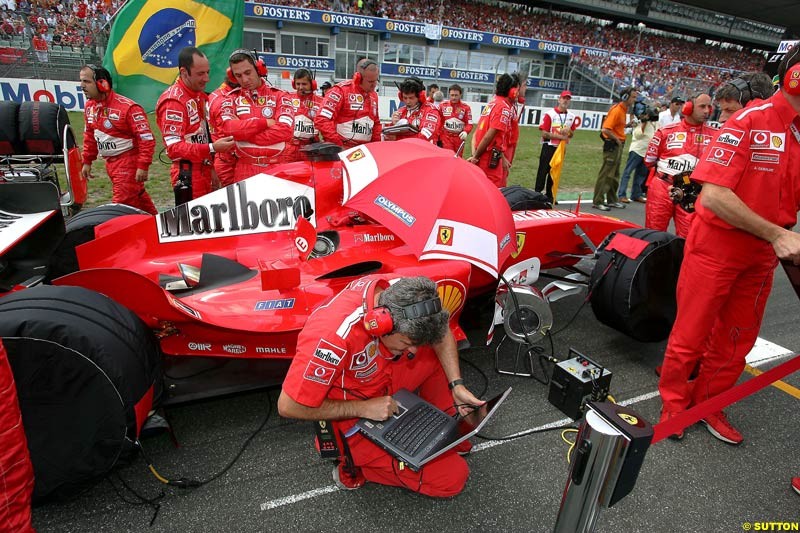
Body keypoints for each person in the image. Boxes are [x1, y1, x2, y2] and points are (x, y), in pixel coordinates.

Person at [657, 48, 800, 444]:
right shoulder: (749, 120)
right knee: (692, 332)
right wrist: (776, 234)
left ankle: (708, 403)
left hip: (762, 254)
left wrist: (775, 237)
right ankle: (673, 404)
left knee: (738, 338)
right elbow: (714, 196)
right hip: (718, 247)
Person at [277, 275, 484, 496]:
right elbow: (288, 406)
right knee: (452, 478)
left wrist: (457, 385)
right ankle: (353, 465)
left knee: (430, 352)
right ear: (380, 324)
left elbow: (441, 334)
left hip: (382, 376)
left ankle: (445, 425)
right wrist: (363, 409)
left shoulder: (402, 297)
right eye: (406, 343)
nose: (412, 352)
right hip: (354, 409)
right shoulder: (332, 338)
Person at [156, 47, 235, 205]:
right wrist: (213, 148)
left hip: (204, 167)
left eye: (207, 72)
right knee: (195, 226)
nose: (206, 78)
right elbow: (174, 149)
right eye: (200, 74)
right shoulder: (174, 102)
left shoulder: (198, 95)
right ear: (184, 73)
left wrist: (211, 166)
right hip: (188, 174)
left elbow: (203, 134)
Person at [80, 64, 157, 214]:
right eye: (81, 82)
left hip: (128, 163)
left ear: (102, 83)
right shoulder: (90, 107)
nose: (82, 86)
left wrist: (142, 165)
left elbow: (146, 138)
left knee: (120, 208)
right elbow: (89, 136)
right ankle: (155, 224)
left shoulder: (128, 108)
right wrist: (87, 161)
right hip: (110, 164)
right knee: (138, 199)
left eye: (87, 82)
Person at [643, 93, 714, 237]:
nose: (707, 111)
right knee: (653, 234)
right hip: (662, 186)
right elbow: (649, 161)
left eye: (709, 107)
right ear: (688, 108)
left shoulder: (716, 136)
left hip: (693, 191)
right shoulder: (665, 132)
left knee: (688, 238)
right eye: (702, 106)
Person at [220, 49, 294, 180]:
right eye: (238, 75)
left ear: (259, 69)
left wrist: (244, 134)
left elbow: (285, 131)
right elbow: (228, 129)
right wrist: (264, 124)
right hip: (244, 169)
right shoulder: (230, 99)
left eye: (248, 72)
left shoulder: (280, 96)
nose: (245, 79)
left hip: (277, 168)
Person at [315, 58, 381, 148]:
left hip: (365, 151)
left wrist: (375, 147)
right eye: (370, 81)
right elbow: (322, 119)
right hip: (343, 149)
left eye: (375, 80)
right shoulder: (340, 90)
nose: (374, 85)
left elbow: (376, 124)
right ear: (358, 78)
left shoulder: (374, 96)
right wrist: (338, 145)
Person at [592, 86, 637, 211]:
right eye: (633, 97)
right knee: (606, 174)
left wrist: (627, 125)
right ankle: (598, 200)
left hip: (617, 144)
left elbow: (616, 126)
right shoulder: (617, 110)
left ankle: (612, 199)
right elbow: (606, 129)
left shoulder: (622, 110)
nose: (634, 100)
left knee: (615, 174)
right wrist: (617, 139)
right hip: (613, 145)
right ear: (625, 97)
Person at [468, 73, 516, 187]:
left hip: (482, 153)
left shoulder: (492, 104)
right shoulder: (503, 108)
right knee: (493, 189)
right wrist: (476, 157)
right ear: (511, 91)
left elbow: (477, 133)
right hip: (489, 158)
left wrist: (475, 154)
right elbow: (489, 135)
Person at [535, 90, 580, 203]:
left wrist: (569, 132)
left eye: (568, 98)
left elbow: (572, 134)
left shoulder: (571, 116)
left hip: (560, 149)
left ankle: (550, 195)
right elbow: (544, 133)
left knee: (554, 172)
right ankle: (537, 194)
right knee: (543, 171)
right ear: (559, 99)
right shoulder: (550, 114)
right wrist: (561, 137)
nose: (565, 100)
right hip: (548, 147)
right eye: (564, 98)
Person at [617, 106, 657, 204]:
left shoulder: (653, 124)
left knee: (641, 175)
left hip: (646, 152)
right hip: (637, 150)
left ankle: (636, 194)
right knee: (628, 172)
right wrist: (643, 123)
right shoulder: (640, 122)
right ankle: (622, 194)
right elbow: (638, 135)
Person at [385, 77, 441, 144]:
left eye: (411, 98)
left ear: (420, 96)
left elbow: (425, 137)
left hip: (425, 151)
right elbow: (388, 136)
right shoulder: (401, 111)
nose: (408, 101)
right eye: (405, 98)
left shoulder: (431, 111)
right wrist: (393, 124)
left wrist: (398, 138)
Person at [283, 68, 323, 163]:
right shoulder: (287, 98)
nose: (300, 87)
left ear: (312, 84)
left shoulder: (321, 101)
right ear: (294, 84)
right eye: (298, 84)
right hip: (289, 148)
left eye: (304, 84)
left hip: (311, 149)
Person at [207, 78, 239, 187]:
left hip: (222, 158)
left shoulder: (215, 94)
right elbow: (228, 136)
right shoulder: (225, 99)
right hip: (230, 162)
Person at [438, 84, 472, 155]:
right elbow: (438, 122)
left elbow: (469, 123)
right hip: (446, 138)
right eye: (452, 95)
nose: (454, 97)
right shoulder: (442, 106)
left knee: (458, 159)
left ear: (460, 95)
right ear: (449, 95)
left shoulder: (466, 108)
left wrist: (466, 131)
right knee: (448, 158)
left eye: (456, 95)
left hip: (459, 138)